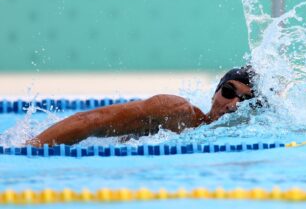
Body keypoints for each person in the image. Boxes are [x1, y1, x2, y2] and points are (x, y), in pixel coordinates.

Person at [27, 66, 261, 147]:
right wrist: (30, 148)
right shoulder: (176, 112)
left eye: (244, 99)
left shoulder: (253, 133)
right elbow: (92, 120)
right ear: (215, 91)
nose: (232, 104)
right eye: (228, 92)